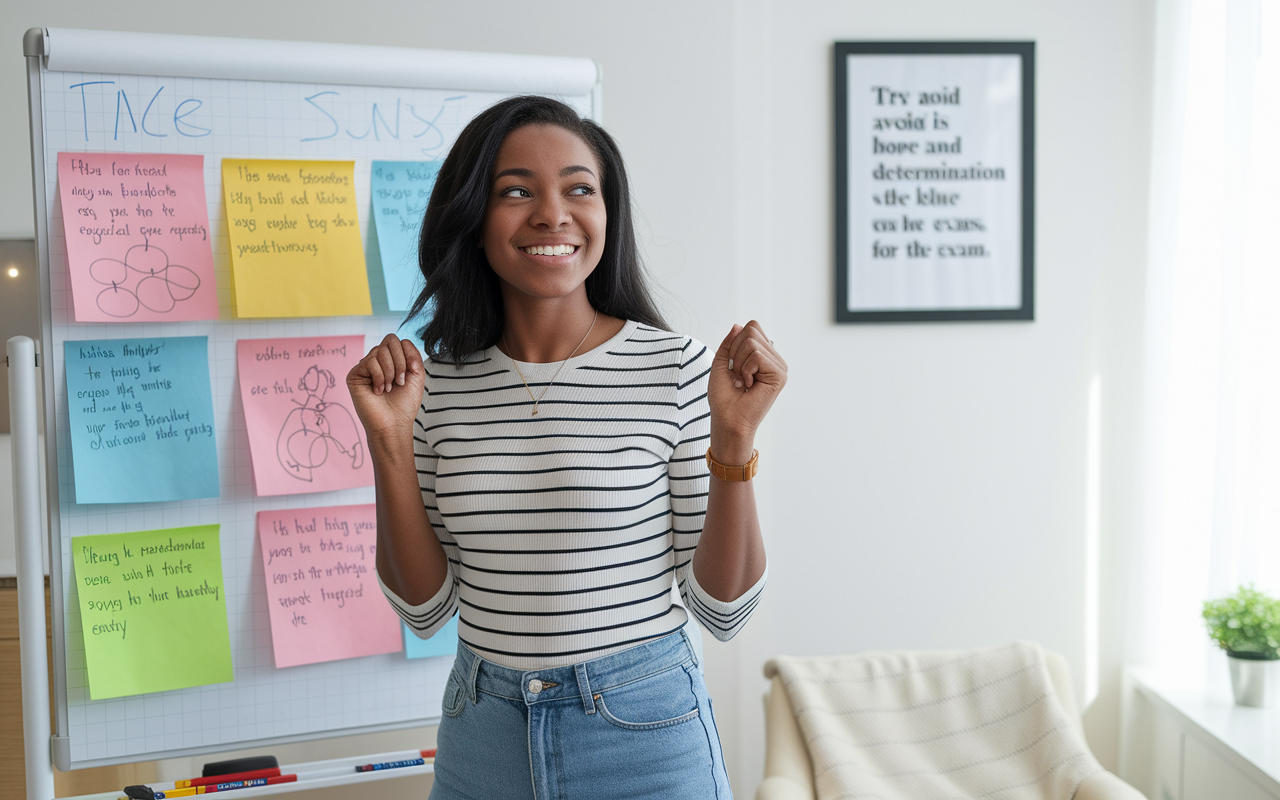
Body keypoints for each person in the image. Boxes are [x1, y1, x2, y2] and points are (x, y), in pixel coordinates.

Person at [347, 95, 786, 799]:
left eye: (579, 189)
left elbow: (723, 611)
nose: (552, 213)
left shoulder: (674, 368)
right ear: (474, 219)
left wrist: (734, 439)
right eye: (516, 191)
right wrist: (390, 442)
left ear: (607, 214)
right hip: (483, 734)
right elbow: (425, 609)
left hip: (642, 729)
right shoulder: (432, 386)